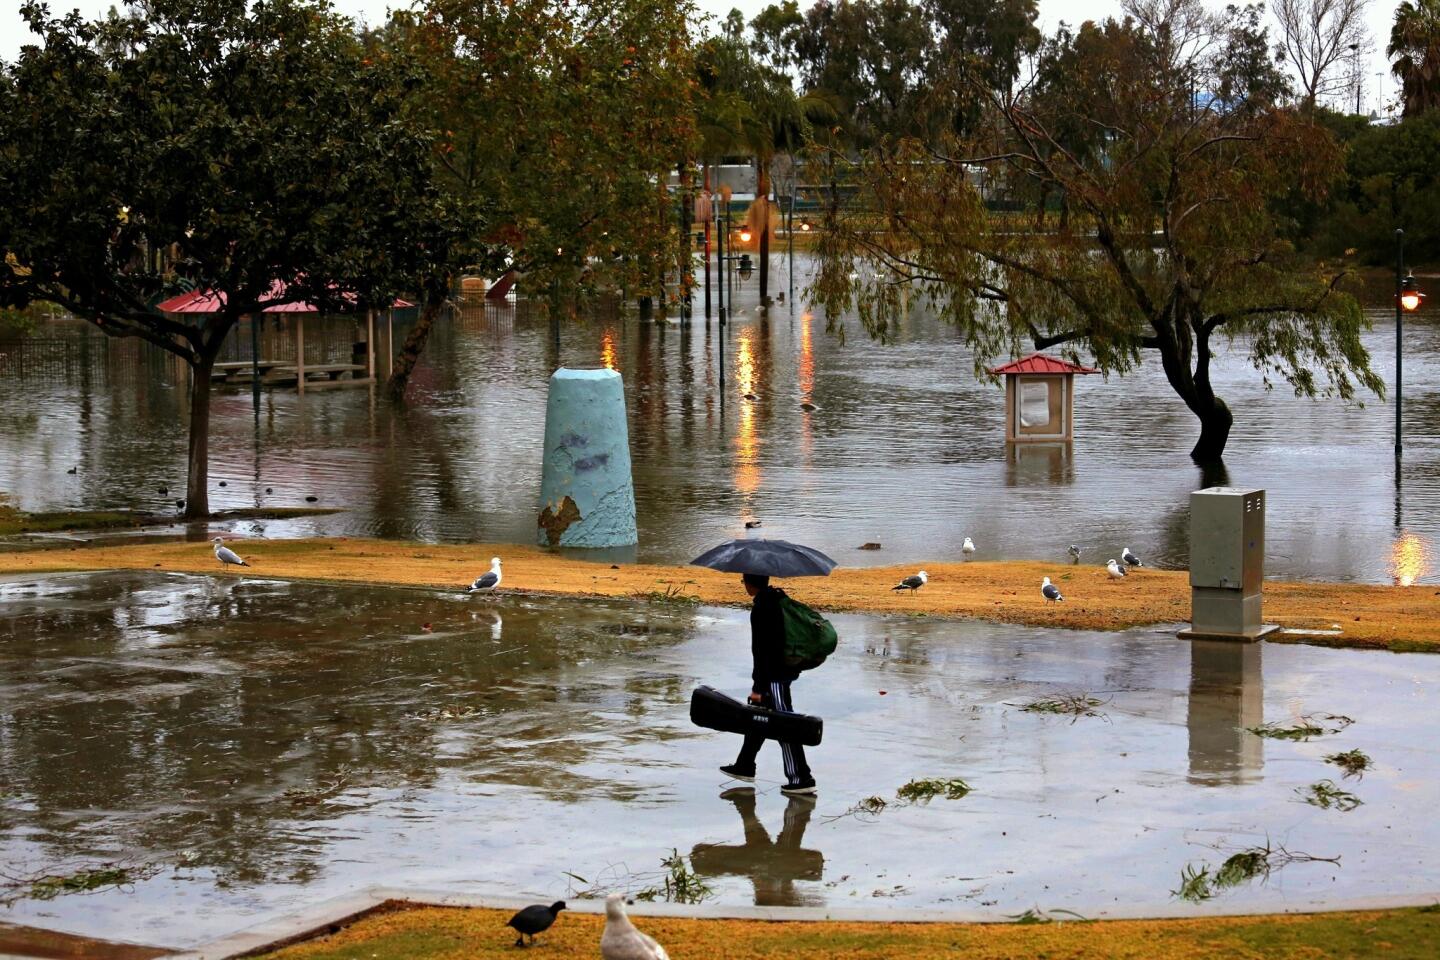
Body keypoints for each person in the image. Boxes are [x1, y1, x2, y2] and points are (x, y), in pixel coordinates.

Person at [720, 573, 816, 794]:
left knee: (783, 724)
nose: (744, 586)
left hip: (775, 676)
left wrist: (758, 686)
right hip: (780, 671)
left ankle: (801, 778)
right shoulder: (776, 599)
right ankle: (745, 764)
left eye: (743, 582)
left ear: (750, 584)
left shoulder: (763, 607)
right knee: (760, 717)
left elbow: (762, 652)